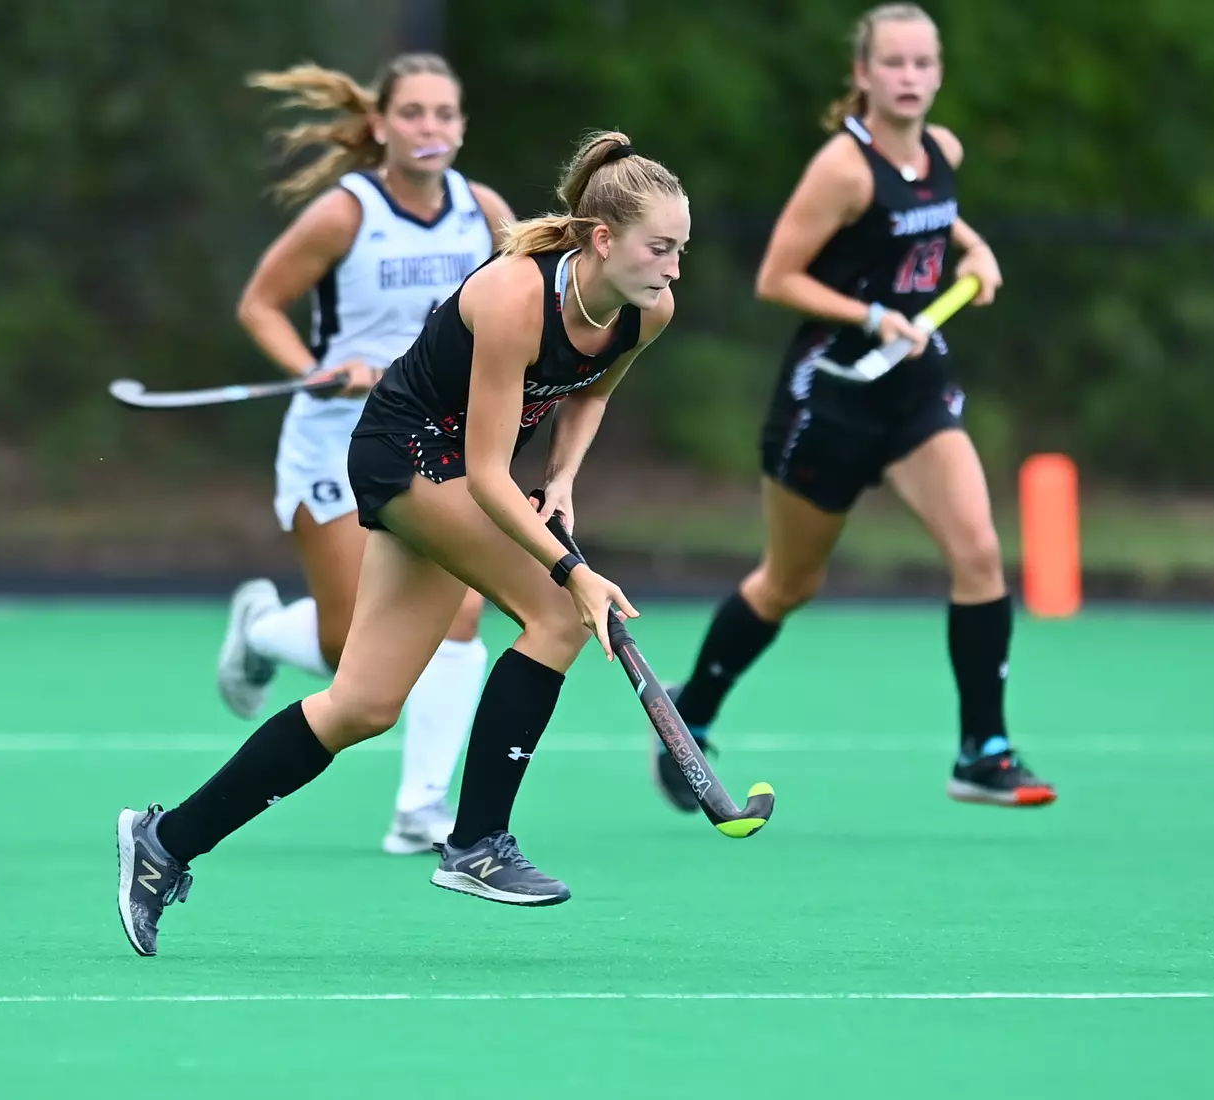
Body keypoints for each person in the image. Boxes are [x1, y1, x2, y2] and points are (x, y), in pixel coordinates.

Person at [116, 131, 687, 957]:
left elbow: (589, 391)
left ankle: (164, 843)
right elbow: (490, 477)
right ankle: (478, 843)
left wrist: (562, 482)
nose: (673, 268)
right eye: (660, 248)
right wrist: (573, 569)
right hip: (407, 453)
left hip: (458, 468)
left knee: (360, 708)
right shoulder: (513, 297)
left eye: (680, 250)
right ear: (604, 239)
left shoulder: (648, 310)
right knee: (559, 616)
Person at [650, 3, 1056, 812]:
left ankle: (983, 751)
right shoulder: (840, 168)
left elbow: (932, 216)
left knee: (977, 551)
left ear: (938, 74)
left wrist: (970, 248)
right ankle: (688, 711)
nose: (908, 78)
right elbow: (777, 278)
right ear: (862, 75)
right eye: (893, 64)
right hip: (829, 398)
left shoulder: (943, 150)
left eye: (921, 63)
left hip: (912, 392)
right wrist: (872, 316)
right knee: (788, 584)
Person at [215, 54, 515, 855]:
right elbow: (261, 304)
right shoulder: (346, 214)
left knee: (460, 611)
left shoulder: (483, 211)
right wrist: (313, 373)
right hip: (337, 440)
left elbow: (515, 312)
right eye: (413, 113)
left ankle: (422, 811)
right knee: (352, 647)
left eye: (444, 114)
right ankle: (264, 635)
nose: (430, 129)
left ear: (460, 127)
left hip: (433, 443)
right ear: (381, 126)